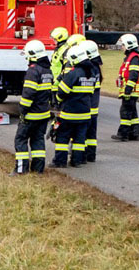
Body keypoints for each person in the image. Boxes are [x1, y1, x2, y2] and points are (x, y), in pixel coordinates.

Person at [51, 44, 96, 168]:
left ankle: (60, 162)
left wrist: (58, 101)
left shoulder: (73, 73)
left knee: (62, 138)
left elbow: (62, 92)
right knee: (79, 140)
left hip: (69, 113)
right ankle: (76, 161)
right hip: (85, 114)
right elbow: (91, 92)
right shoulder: (92, 73)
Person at [13, 40, 53, 174]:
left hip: (31, 114)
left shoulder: (33, 71)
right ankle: (38, 169)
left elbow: (28, 94)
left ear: (32, 55)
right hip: (43, 114)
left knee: (20, 140)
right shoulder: (48, 71)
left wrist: (22, 111)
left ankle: (21, 170)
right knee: (38, 141)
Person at [112, 34, 139, 141]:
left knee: (125, 112)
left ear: (129, 45)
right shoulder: (131, 57)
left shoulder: (133, 58)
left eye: (123, 45)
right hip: (131, 90)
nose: (122, 47)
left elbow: (133, 74)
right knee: (132, 112)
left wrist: (128, 89)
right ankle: (134, 133)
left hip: (131, 90)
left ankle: (123, 134)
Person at [80, 40, 102, 162]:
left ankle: (82, 156)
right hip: (94, 106)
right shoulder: (96, 67)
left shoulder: (90, 68)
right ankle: (91, 155)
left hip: (88, 106)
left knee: (83, 133)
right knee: (91, 134)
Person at [49, 27, 70, 95]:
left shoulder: (65, 50)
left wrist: (58, 80)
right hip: (55, 82)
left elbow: (66, 68)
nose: (54, 41)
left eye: (55, 39)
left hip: (59, 83)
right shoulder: (60, 48)